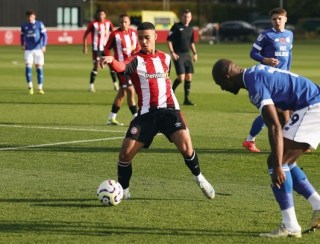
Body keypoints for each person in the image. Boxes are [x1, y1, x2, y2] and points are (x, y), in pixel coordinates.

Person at [100, 22, 215, 200]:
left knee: (186, 148)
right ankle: (124, 190)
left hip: (169, 111)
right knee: (125, 154)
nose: (143, 41)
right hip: (146, 114)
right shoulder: (135, 59)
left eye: (147, 37)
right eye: (140, 38)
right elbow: (121, 67)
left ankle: (199, 178)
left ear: (155, 37)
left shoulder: (165, 58)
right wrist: (111, 60)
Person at [212, 59, 320, 238]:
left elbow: (274, 126)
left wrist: (277, 165)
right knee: (287, 162)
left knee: (276, 162)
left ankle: (291, 226)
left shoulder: (254, 83)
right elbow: (281, 111)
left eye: (220, 84)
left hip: (312, 107)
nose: (222, 88)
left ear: (227, 77)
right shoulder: (254, 73)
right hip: (310, 104)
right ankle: (317, 205)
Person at [243, 8, 293, 153]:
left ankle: (250, 140)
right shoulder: (266, 35)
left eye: (279, 18)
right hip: (268, 78)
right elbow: (253, 53)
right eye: (274, 19)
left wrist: (288, 73)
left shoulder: (289, 35)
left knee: (279, 110)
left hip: (283, 79)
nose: (277, 21)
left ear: (285, 19)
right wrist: (265, 60)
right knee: (274, 111)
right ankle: (292, 142)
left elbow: (289, 55)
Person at [104, 14, 140, 126]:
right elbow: (106, 49)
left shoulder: (134, 33)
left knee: (122, 93)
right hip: (121, 67)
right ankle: (136, 118)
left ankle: (111, 117)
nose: (123, 24)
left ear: (129, 22)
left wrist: (136, 52)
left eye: (125, 22)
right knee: (130, 90)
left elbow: (138, 47)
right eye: (121, 22)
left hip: (133, 66)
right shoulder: (115, 34)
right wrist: (111, 61)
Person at [83, 9, 118, 92]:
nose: (101, 16)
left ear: (105, 15)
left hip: (107, 48)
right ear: (97, 15)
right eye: (99, 15)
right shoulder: (93, 24)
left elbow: (114, 35)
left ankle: (115, 85)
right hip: (96, 48)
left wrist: (115, 47)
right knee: (96, 66)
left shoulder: (108, 23)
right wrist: (85, 47)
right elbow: (85, 35)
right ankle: (91, 86)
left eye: (102, 14)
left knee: (112, 66)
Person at [167, 9, 197, 106]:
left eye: (188, 17)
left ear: (191, 18)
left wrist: (195, 53)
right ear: (181, 17)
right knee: (181, 77)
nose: (186, 18)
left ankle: (186, 99)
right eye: (185, 16)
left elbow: (191, 42)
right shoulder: (176, 27)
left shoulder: (191, 28)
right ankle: (171, 93)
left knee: (189, 76)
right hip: (178, 54)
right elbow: (169, 41)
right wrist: (172, 53)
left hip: (187, 55)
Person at [20, 10, 48, 95]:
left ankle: (40, 88)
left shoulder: (40, 24)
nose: (29, 18)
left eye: (31, 16)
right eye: (28, 16)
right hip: (28, 50)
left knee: (39, 69)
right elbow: (21, 36)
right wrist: (22, 44)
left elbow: (45, 35)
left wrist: (44, 45)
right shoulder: (24, 25)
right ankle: (30, 87)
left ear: (34, 16)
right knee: (28, 68)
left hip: (38, 50)